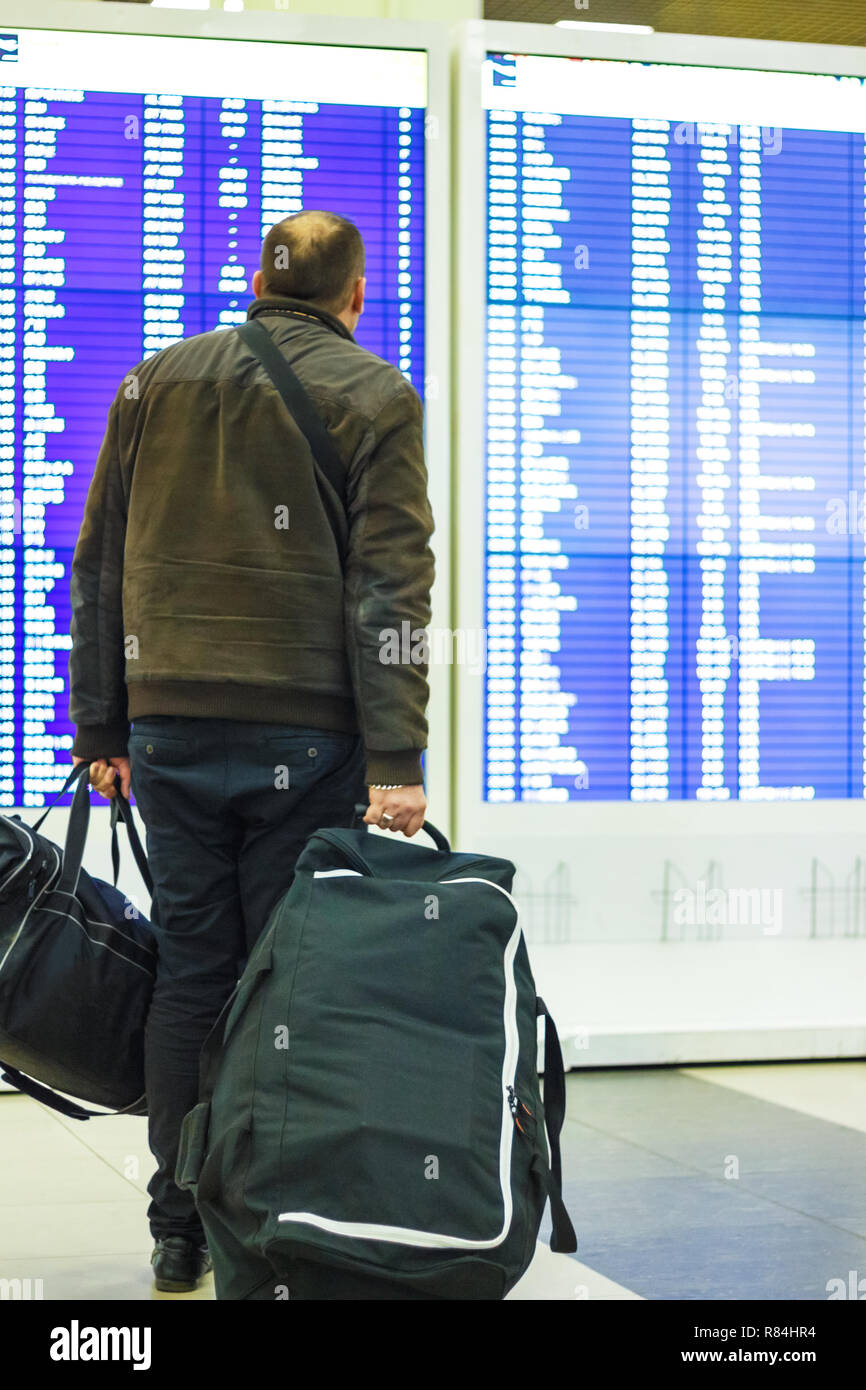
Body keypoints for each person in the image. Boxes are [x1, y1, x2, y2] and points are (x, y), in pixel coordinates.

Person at [67, 209, 435, 1293]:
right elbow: (391, 589)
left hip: (169, 724)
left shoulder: (151, 383)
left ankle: (176, 1222)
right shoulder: (375, 394)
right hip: (307, 736)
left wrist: (102, 724)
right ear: (352, 296)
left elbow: (99, 566)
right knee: (282, 981)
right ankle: (260, 1227)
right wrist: (396, 759)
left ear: (257, 282)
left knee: (192, 968)